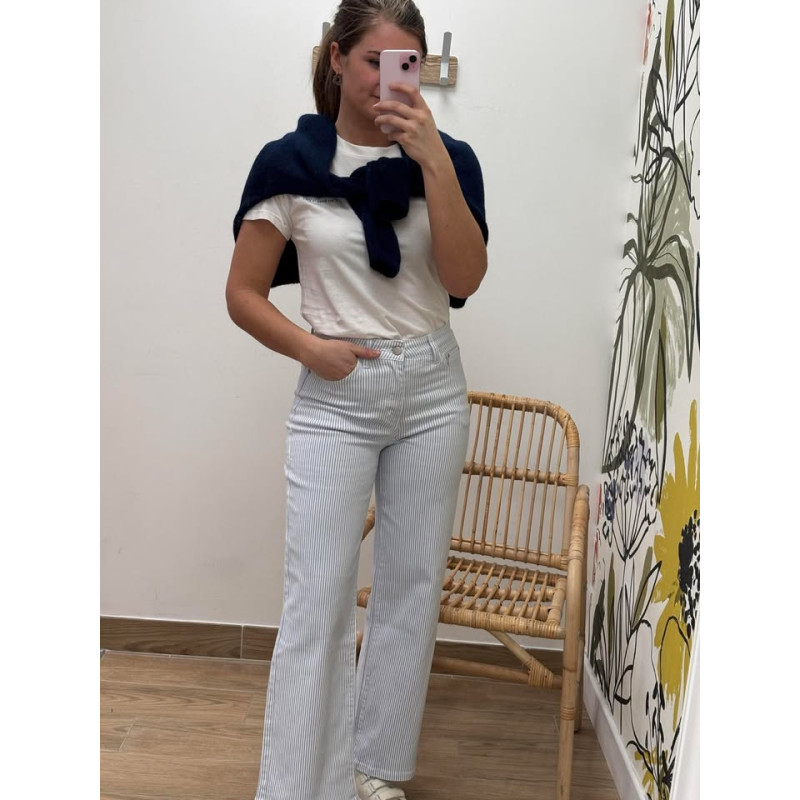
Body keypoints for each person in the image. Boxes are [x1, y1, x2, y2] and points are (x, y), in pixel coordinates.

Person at [226, 2, 488, 798]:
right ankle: (296, 785)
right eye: (374, 61)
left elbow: (465, 279)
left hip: (432, 388)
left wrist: (433, 161)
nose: (387, 81)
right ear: (337, 59)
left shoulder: (450, 159)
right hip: (335, 395)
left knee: (411, 587)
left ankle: (376, 773)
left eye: (406, 64)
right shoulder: (290, 164)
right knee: (318, 600)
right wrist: (311, 349)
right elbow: (243, 294)